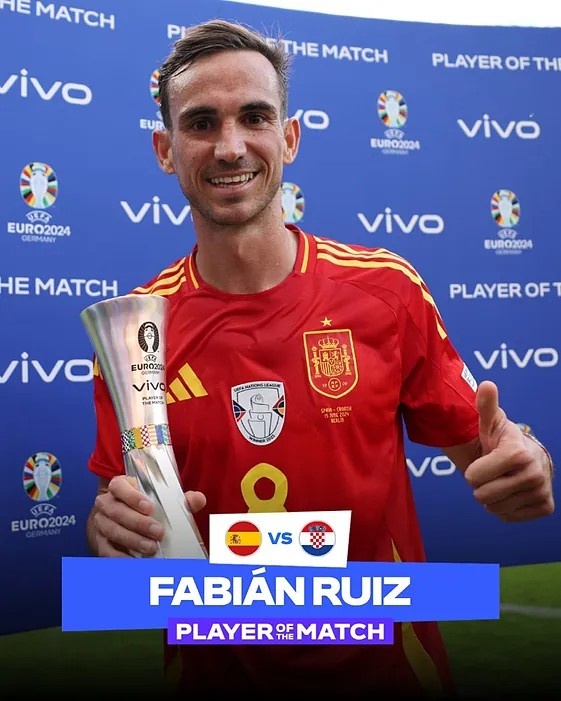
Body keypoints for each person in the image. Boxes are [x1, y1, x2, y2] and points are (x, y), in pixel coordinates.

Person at [85, 18, 555, 696]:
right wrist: (108, 532)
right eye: (201, 123)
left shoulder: (385, 290)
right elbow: (123, 517)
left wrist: (529, 462)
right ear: (165, 149)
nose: (230, 147)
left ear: (289, 137)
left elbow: (492, 450)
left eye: (254, 117)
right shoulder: (135, 332)